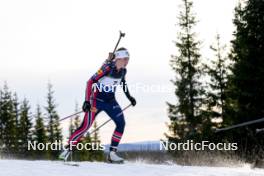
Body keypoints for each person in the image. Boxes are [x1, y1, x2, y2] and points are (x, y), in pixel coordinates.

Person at [59, 47, 136, 163]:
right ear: (118, 58)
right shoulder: (107, 68)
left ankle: (112, 154)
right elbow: (90, 82)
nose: (127, 61)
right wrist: (86, 101)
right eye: (125, 59)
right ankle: (67, 151)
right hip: (96, 101)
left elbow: (123, 83)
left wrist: (130, 97)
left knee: (121, 123)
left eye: (128, 59)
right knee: (85, 126)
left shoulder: (123, 71)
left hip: (110, 102)